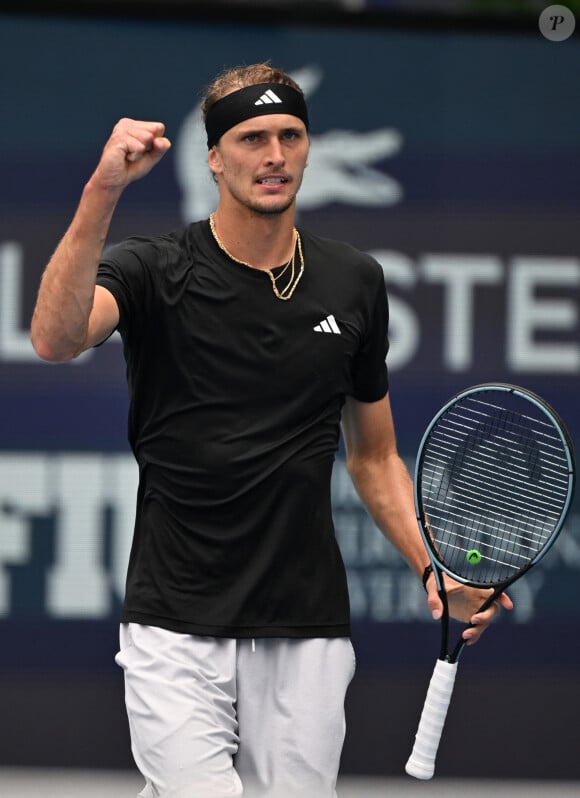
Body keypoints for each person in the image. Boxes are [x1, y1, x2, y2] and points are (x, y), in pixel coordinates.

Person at [30, 63, 512, 798]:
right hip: (173, 625)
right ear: (215, 158)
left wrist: (431, 566)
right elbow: (55, 339)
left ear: (309, 147)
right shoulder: (152, 270)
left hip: (306, 630)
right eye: (252, 138)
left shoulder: (353, 282)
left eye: (290, 135)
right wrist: (105, 187)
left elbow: (374, 456)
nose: (275, 155)